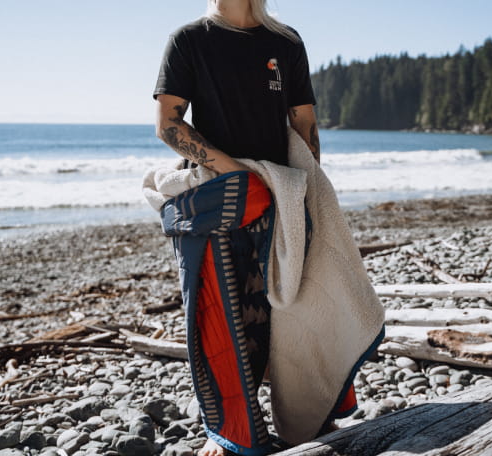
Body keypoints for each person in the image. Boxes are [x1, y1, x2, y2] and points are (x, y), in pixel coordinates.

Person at [153, 1, 322, 455]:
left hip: (278, 194)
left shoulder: (285, 42)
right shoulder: (189, 40)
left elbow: (303, 122)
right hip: (218, 196)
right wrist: (236, 173)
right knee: (217, 313)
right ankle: (229, 432)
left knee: (286, 313)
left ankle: (304, 416)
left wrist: (307, 191)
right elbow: (168, 124)